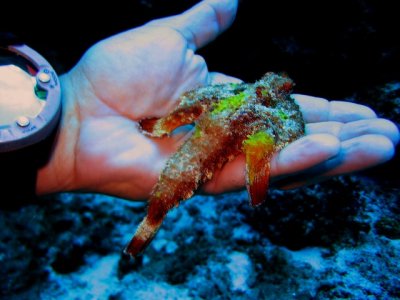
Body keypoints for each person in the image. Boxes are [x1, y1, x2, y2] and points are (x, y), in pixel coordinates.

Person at [34, 0, 398, 200]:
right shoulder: (236, 101)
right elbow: (199, 110)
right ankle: (147, 226)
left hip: (194, 146)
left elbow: (201, 111)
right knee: (163, 200)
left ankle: (147, 226)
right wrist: (70, 118)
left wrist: (65, 129)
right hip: (190, 150)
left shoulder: (236, 101)